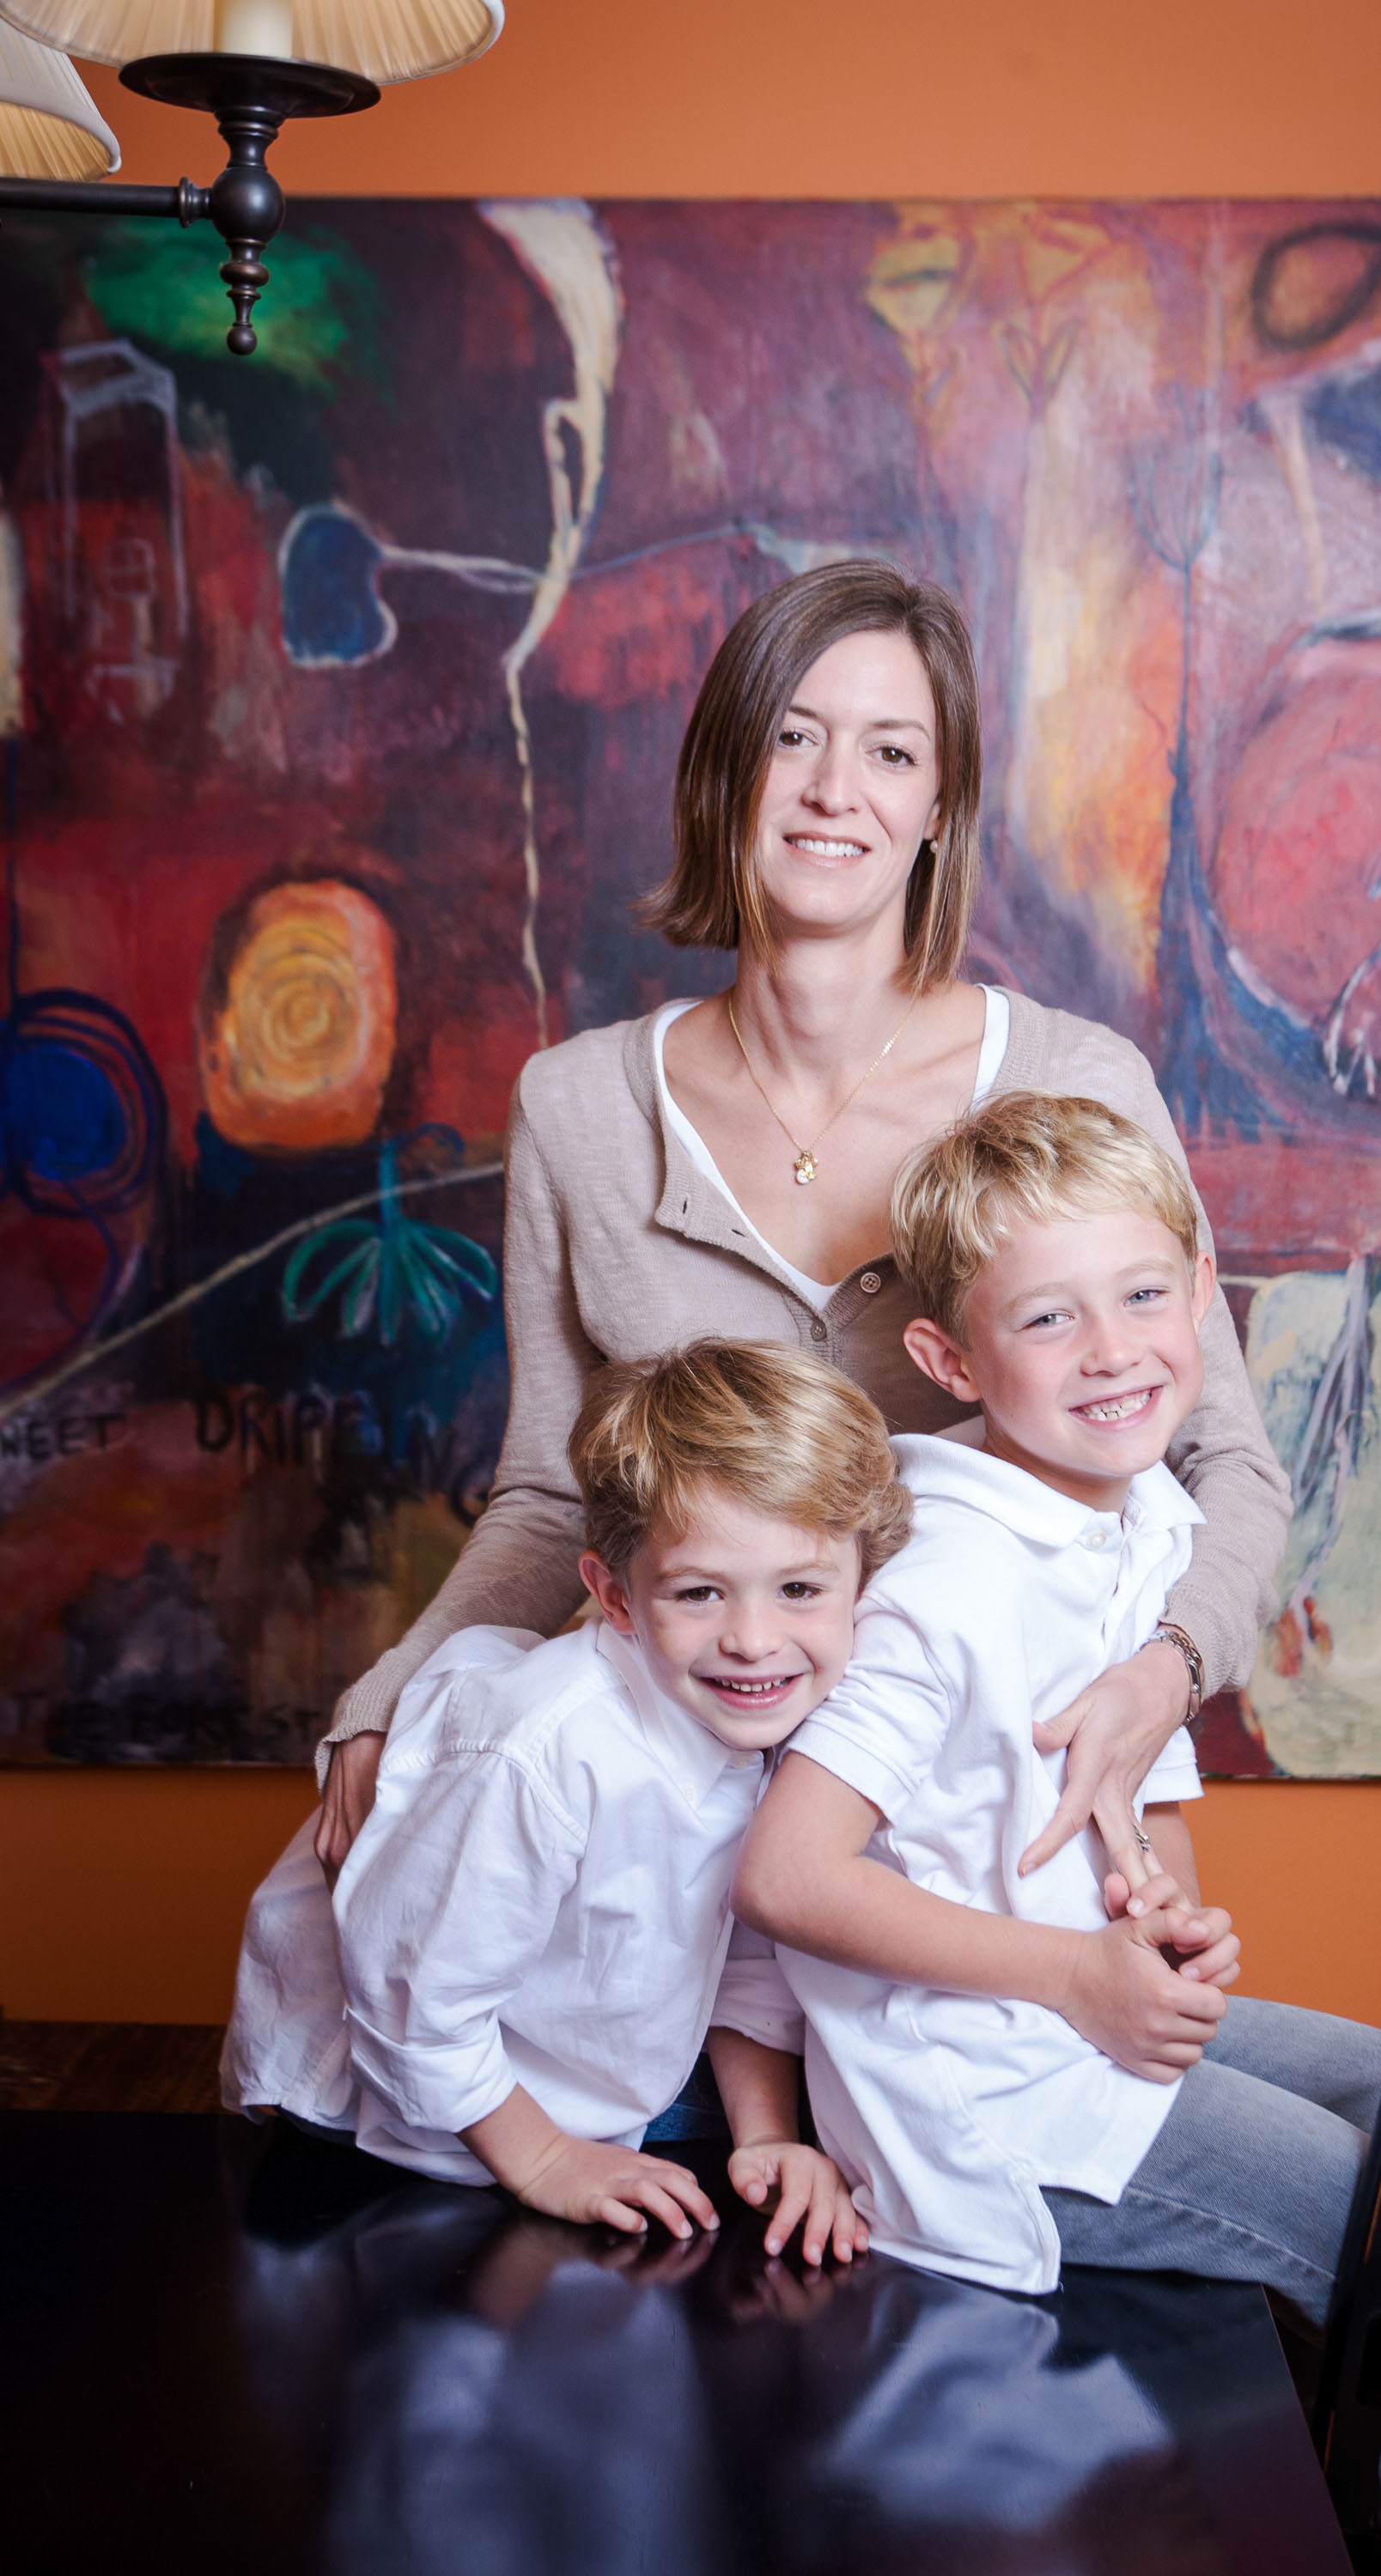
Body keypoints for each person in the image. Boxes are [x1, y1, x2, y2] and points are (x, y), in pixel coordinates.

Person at [313, 561, 1293, 1937]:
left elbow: (1227, 1466)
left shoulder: (1081, 1084)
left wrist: (1167, 1672)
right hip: (669, 1860)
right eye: (794, 736)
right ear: (726, 770)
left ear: (938, 808)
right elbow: (550, 1499)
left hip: (984, 1854)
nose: (839, 790)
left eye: (892, 751)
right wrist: (393, 1698)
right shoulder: (578, 1107)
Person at [732, 1096, 1381, 2317]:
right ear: (951, 1362)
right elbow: (785, 1879)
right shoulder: (951, 1578)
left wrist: (1171, 1920)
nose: (1112, 1350)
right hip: (995, 2096)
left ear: (1201, 1291)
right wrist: (1075, 1973)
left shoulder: (1143, 1518)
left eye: (1145, 1296)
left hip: (1092, 2025)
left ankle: (1366, 2471)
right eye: (1050, 1317)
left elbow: (1139, 1799)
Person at [224, 1341, 903, 2262]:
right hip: (399, 2122)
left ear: (860, 1584)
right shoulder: (538, 1751)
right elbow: (409, 1995)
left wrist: (766, 2134)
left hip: (578, 2074)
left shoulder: (775, 1723)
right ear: (613, 1598)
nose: (753, 1640)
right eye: (698, 1593)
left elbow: (741, 1951)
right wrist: (542, 2159)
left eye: (798, 1590)